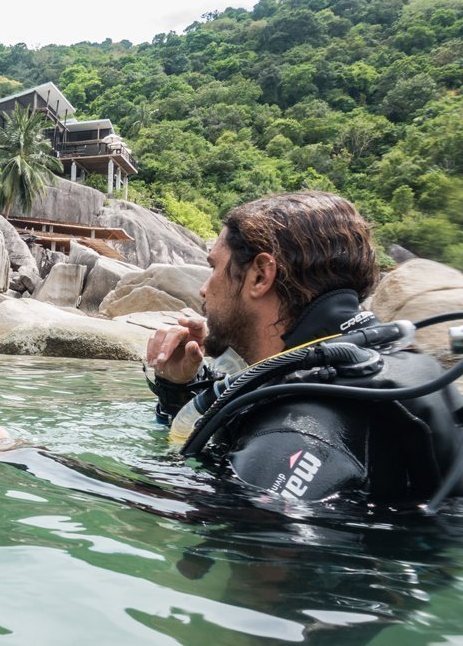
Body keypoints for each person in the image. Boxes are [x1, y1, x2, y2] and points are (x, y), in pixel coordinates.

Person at [145, 191, 462, 507]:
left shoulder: (293, 435)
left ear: (260, 275)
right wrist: (178, 387)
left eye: (213, 267)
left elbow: (258, 543)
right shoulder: (410, 366)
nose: (204, 287)